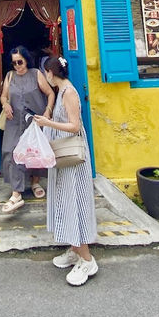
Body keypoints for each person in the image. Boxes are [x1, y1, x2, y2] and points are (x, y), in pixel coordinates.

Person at [33, 55, 98, 287]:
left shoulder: (69, 92)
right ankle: (74, 250)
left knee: (74, 202)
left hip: (72, 159)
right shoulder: (61, 91)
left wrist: (48, 124)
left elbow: (75, 125)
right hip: (63, 157)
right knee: (65, 201)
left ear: (51, 73)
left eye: (45, 73)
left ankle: (87, 259)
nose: (45, 77)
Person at [0, 45, 55, 214]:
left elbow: (50, 93)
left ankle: (35, 182)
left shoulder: (36, 74)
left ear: (26, 60)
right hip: (14, 121)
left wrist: (48, 111)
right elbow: (3, 95)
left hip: (35, 120)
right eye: (14, 63)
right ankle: (17, 192)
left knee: (34, 152)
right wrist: (5, 103)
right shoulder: (10, 76)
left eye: (20, 62)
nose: (17, 66)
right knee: (10, 151)